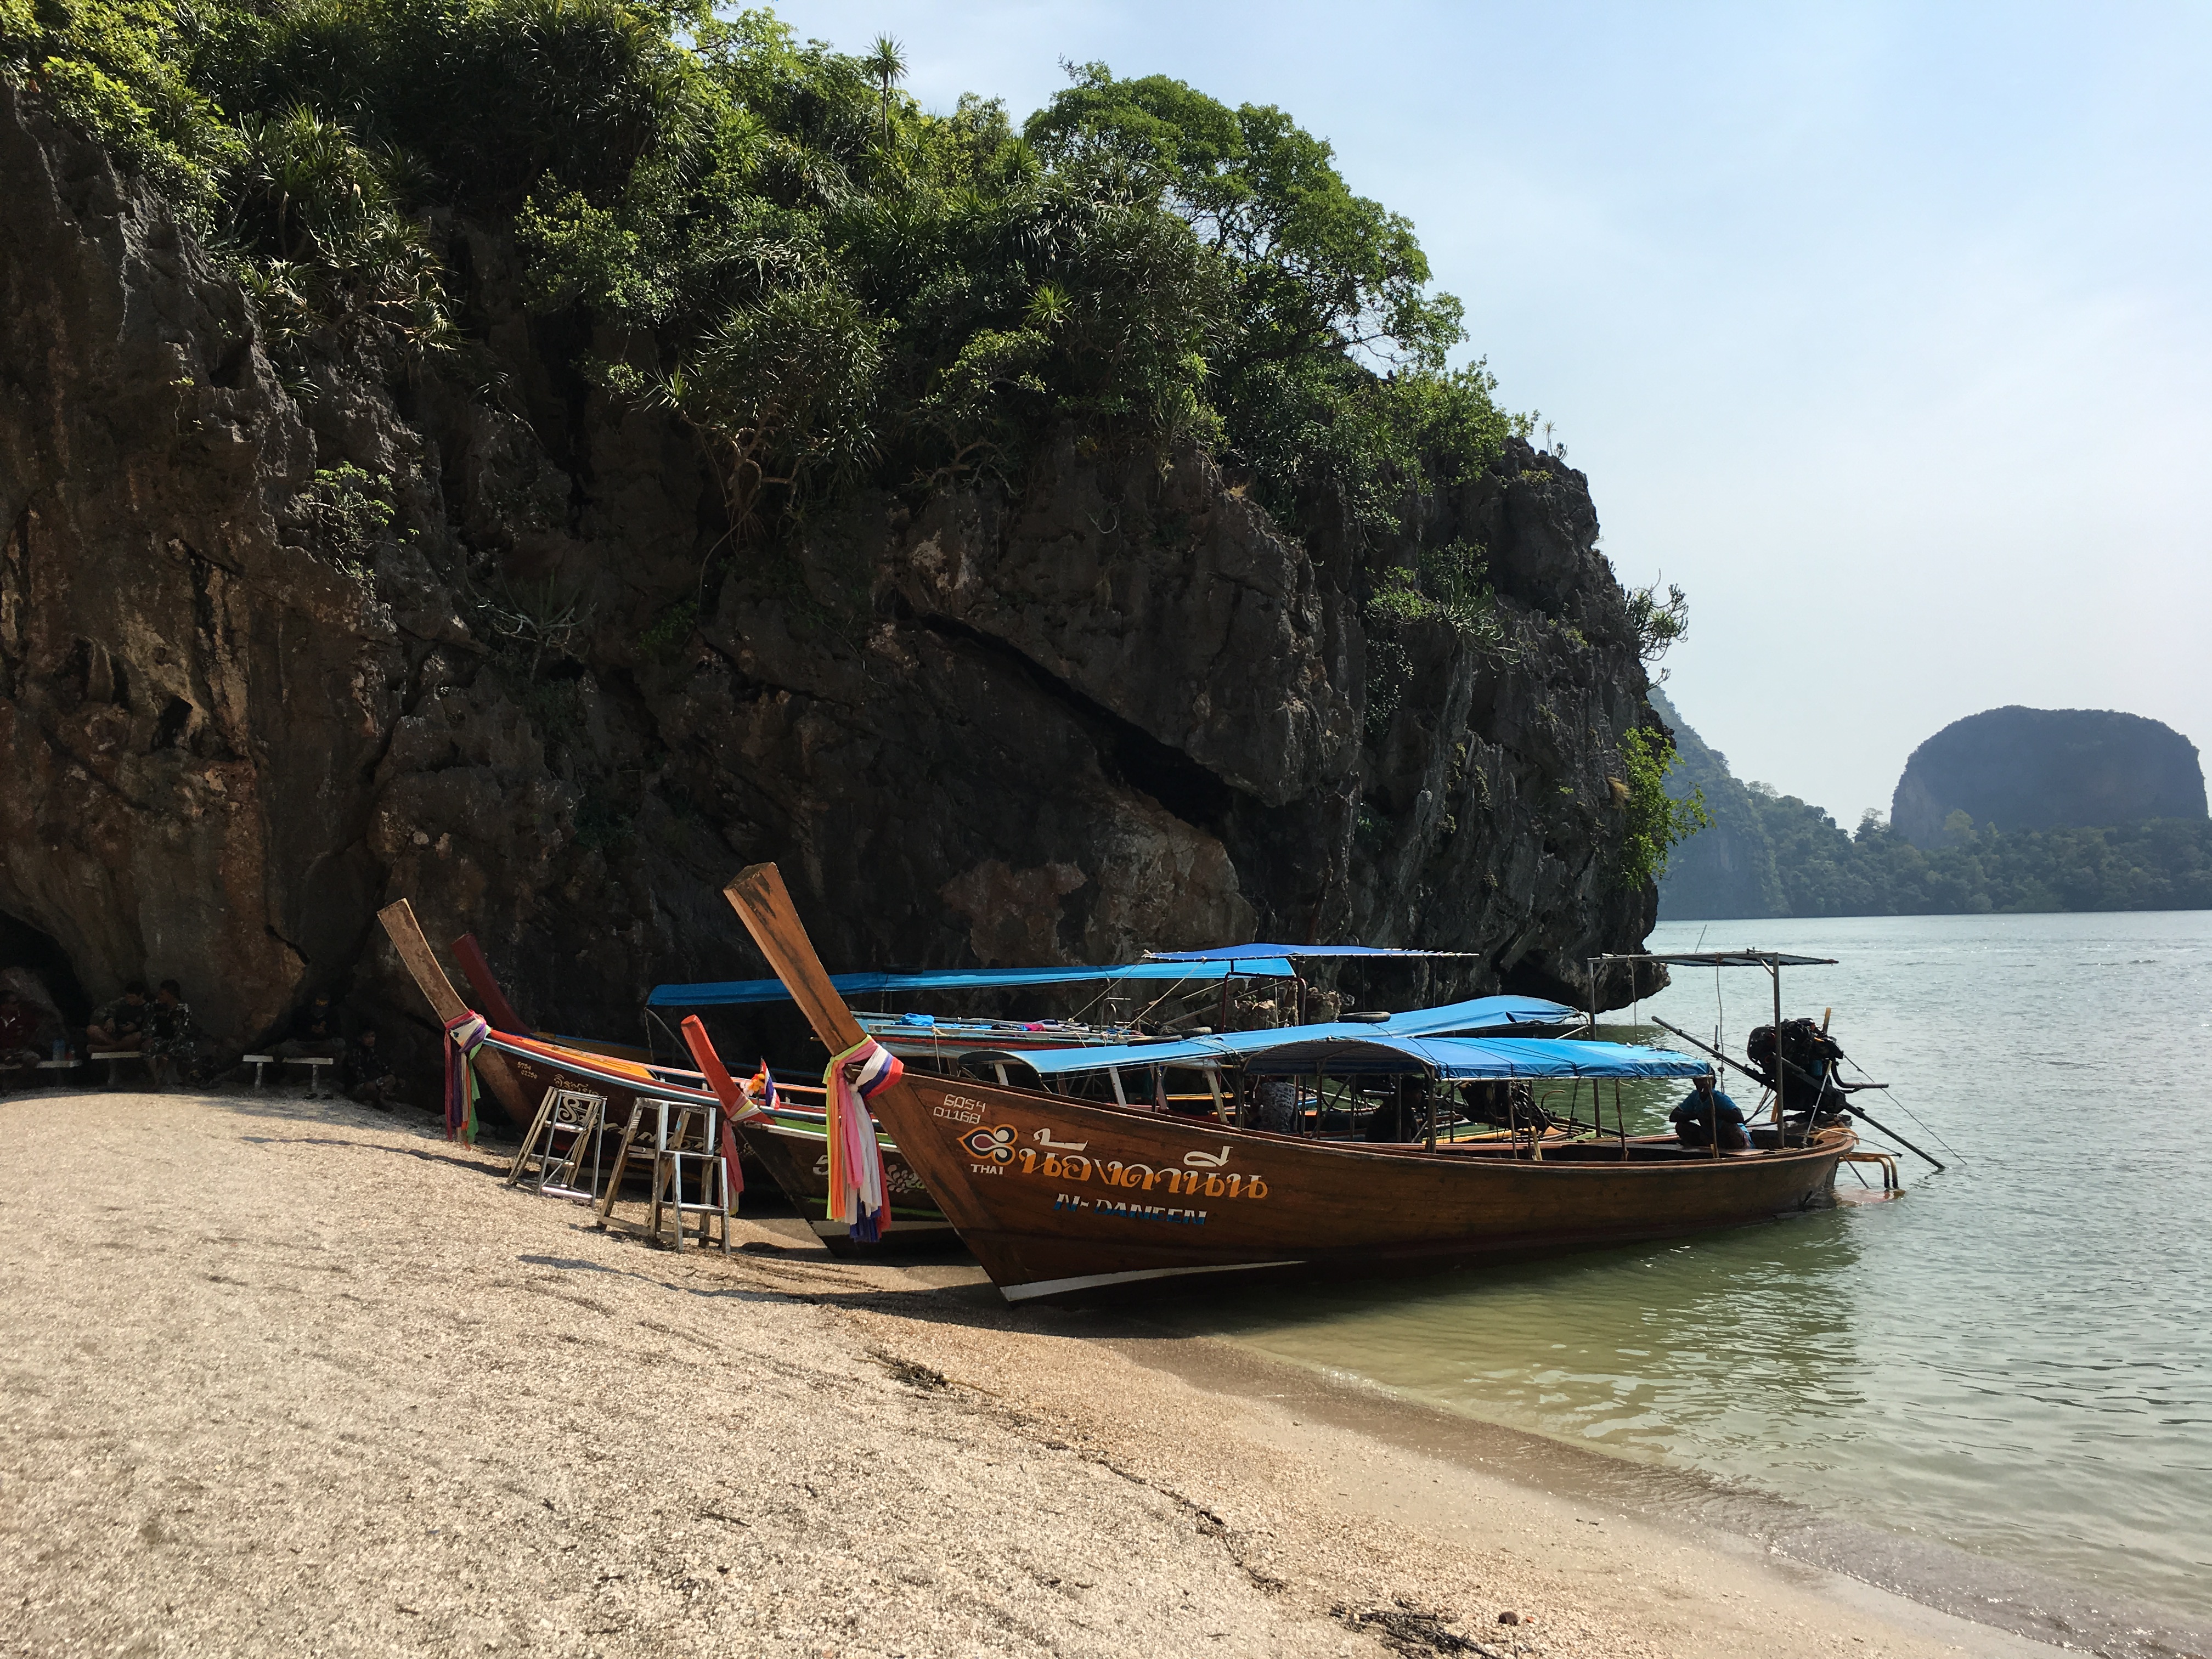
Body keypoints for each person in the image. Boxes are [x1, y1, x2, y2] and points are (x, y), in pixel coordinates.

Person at [144, 980, 202, 1086]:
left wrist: (167, 1053)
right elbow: (150, 1023)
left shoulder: (183, 1008)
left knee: (190, 1048)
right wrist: (149, 1037)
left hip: (179, 1041)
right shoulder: (157, 1006)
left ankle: (187, 1079)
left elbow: (181, 1032)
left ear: (171, 995)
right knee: (148, 1048)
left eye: (162, 994)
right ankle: (157, 1081)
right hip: (163, 1038)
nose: (159, 996)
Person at [1671, 1073, 1750, 1150]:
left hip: (1732, 1138)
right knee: (1681, 1126)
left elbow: (1739, 1117)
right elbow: (1673, 1116)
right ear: (1695, 1082)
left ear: (1714, 1082)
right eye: (1700, 1080)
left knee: (1728, 1126)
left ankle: (1736, 1151)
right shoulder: (1695, 1096)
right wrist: (1697, 1115)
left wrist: (1714, 1113)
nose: (1704, 1083)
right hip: (1709, 1136)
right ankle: (1704, 1149)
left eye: (1708, 1080)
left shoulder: (1719, 1098)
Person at [343, 1026, 404, 1112]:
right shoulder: (355, 1053)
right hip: (356, 1087)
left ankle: (380, 1098)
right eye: (367, 1037)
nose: (371, 1039)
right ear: (360, 1039)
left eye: (373, 1036)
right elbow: (358, 1075)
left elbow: (383, 1067)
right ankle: (378, 1100)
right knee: (370, 1086)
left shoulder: (372, 1052)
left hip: (372, 1083)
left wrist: (396, 1078)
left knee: (391, 1079)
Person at [273, 991, 345, 1062]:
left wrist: (324, 1033)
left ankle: (314, 1054)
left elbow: (337, 1035)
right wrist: (308, 1030)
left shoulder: (333, 1015)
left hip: (321, 1045)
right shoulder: (302, 1012)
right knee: (285, 1047)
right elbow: (291, 1031)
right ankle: (315, 1055)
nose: (319, 1010)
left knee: (340, 1043)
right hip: (303, 1045)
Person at [86, 981, 151, 1051]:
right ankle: (116, 1046)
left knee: (137, 1036)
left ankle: (108, 1049)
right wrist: (109, 1019)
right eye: (128, 997)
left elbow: (148, 1028)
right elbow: (101, 1010)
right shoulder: (122, 1002)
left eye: (132, 997)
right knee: (92, 1029)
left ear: (141, 996)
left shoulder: (148, 1008)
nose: (129, 1000)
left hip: (131, 1038)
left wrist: (135, 1027)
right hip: (115, 1034)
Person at [0, 986, 43, 1071]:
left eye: (18, 1002)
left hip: (19, 1051)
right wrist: (5, 1055)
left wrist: (28, 1044)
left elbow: (35, 1029)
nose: (17, 1005)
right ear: (3, 1006)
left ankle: (16, 1082)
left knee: (33, 1060)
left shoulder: (23, 1016)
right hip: (2, 1051)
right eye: (14, 1003)